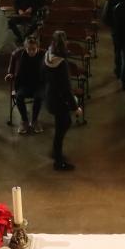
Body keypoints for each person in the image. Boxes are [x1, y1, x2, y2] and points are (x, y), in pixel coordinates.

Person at [44, 31, 79, 171]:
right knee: (62, 127)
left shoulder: (48, 55)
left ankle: (55, 151)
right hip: (60, 100)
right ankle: (58, 162)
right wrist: (75, 107)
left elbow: (42, 75)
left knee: (63, 124)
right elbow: (66, 88)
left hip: (50, 96)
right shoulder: (62, 64)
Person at [6, 34, 45, 134]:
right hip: (24, 85)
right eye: (29, 49)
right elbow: (11, 68)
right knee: (19, 96)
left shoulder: (44, 54)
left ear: (38, 48)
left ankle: (35, 120)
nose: (31, 51)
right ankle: (24, 120)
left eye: (33, 49)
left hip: (38, 85)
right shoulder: (18, 54)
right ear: (25, 48)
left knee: (39, 97)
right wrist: (10, 74)